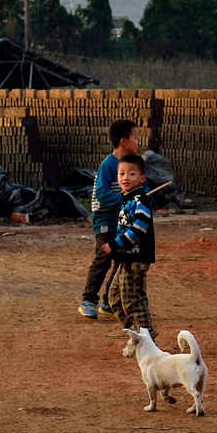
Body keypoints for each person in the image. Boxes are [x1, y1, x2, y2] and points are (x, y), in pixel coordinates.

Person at [79, 117, 139, 319]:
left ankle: (108, 302)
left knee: (122, 260)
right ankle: (88, 300)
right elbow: (103, 195)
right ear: (124, 141)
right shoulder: (108, 165)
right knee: (104, 258)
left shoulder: (130, 166)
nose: (137, 142)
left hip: (121, 220)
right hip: (105, 218)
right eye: (135, 137)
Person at [103, 153, 158, 340]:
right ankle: (136, 335)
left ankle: (147, 339)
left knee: (133, 301)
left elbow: (139, 229)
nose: (125, 178)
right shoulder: (126, 199)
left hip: (137, 258)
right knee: (115, 298)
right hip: (125, 258)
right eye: (121, 174)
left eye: (131, 174)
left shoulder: (140, 201)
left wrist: (115, 244)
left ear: (141, 178)